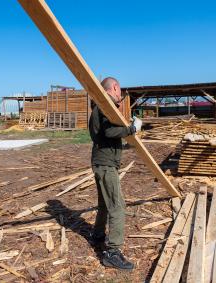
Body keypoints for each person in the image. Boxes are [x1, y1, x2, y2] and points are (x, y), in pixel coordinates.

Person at [89, 77, 142, 270]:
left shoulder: (100, 107)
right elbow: (110, 132)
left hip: (101, 161)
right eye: (120, 91)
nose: (121, 96)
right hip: (105, 165)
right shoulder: (106, 105)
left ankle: (97, 235)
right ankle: (112, 253)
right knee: (117, 206)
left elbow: (107, 136)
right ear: (115, 87)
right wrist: (132, 128)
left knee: (105, 203)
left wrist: (127, 143)